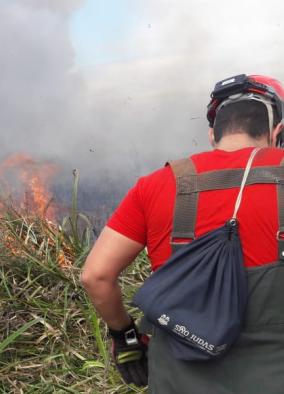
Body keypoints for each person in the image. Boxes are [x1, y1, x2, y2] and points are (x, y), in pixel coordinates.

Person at [81, 74, 284, 393]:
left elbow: (95, 276)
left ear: (212, 135)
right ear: (277, 132)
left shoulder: (156, 185)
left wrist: (125, 337)